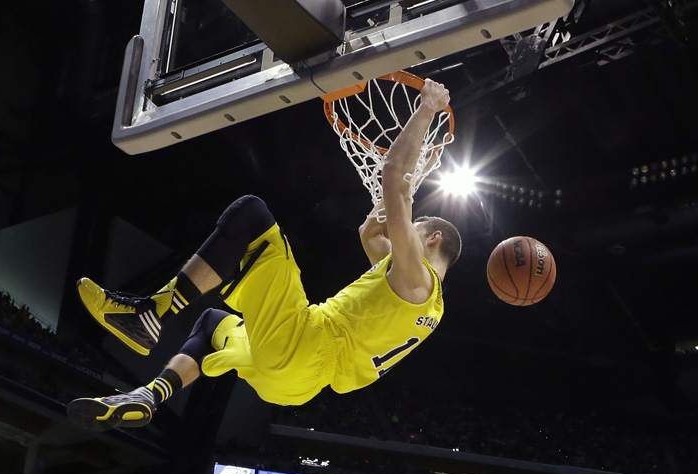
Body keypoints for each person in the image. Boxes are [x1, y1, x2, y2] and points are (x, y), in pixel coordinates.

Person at [68, 80, 460, 431]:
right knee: (211, 324)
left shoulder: (416, 276)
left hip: (305, 342)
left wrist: (427, 109)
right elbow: (370, 232)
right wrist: (413, 180)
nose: (403, 231)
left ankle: (151, 313)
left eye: (414, 227)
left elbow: (392, 173)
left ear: (433, 238)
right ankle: (150, 396)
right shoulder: (425, 304)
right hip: (295, 384)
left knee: (252, 214)